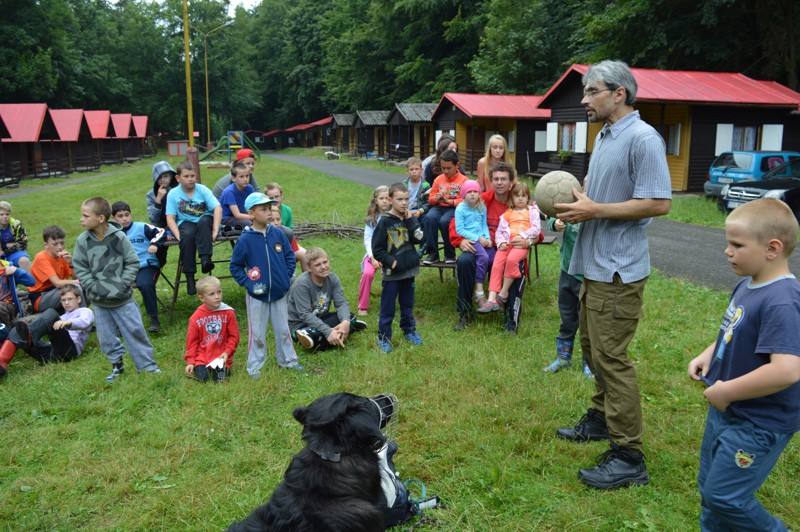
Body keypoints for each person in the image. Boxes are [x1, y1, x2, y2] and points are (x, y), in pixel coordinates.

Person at [553, 60, 672, 489]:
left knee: (611, 357)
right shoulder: (605, 136)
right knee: (592, 346)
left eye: (591, 92)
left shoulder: (643, 139)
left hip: (619, 269)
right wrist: (578, 207)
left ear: (619, 93)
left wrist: (595, 210)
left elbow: (658, 202)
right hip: (595, 263)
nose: (584, 100)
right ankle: (602, 418)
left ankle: (629, 455)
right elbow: (601, 197)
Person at [686, 198, 800, 530]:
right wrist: (709, 353)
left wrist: (726, 392)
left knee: (726, 498)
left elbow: (787, 369)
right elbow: (734, 330)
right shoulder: (749, 283)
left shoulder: (782, 301)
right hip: (728, 409)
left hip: (759, 421)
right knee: (710, 491)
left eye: (736, 244)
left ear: (772, 248)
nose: (727, 251)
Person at [72, 197, 162, 382]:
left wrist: (124, 283)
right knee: (106, 337)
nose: (81, 219)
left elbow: (132, 261)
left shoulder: (119, 237)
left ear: (101, 218)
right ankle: (117, 366)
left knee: (135, 331)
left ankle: (147, 366)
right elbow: (80, 267)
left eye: (85, 215)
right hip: (99, 301)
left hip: (123, 299)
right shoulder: (82, 241)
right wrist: (92, 286)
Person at [453, 162, 535, 333]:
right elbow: (455, 224)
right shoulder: (481, 200)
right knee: (464, 261)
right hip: (483, 247)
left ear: (511, 181)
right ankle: (465, 313)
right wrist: (459, 241)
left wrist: (529, 241)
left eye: (503, 179)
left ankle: (510, 320)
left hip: (510, 248)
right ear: (490, 181)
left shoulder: (520, 201)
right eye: (496, 179)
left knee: (515, 264)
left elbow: (537, 229)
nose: (499, 183)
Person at [229, 193, 302, 376]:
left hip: (279, 292)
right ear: (252, 213)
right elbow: (236, 266)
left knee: (283, 329)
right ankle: (255, 366)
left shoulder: (278, 233)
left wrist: (285, 277)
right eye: (264, 209)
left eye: (270, 208)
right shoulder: (245, 240)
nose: (269, 213)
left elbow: (289, 257)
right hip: (257, 295)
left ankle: (288, 360)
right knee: (258, 334)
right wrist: (248, 283)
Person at [371, 182, 424, 353]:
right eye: (399, 199)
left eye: (407, 199)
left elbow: (419, 238)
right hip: (392, 273)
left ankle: (409, 331)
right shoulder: (384, 222)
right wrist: (392, 262)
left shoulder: (410, 218)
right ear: (390, 200)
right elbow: (377, 250)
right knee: (388, 307)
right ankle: (384, 338)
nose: (404, 203)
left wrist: (410, 220)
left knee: (407, 304)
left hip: (409, 271)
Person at [0, 285, 94, 379]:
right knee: (17, 331)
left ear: (78, 299)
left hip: (69, 352)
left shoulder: (84, 311)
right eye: (63, 300)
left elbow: (85, 322)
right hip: (52, 354)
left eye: (70, 299)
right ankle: (1, 362)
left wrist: (69, 323)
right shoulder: (63, 317)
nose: (66, 302)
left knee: (51, 313)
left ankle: (30, 335)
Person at [478, 181, 541, 314]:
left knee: (512, 261)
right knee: (496, 264)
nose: (520, 198)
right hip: (507, 244)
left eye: (523, 196)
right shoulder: (508, 213)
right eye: (517, 195)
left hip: (520, 244)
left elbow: (536, 229)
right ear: (512, 197)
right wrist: (500, 242)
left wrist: (522, 236)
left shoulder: (532, 211)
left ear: (528, 198)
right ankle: (491, 300)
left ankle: (503, 293)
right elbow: (500, 231)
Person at [541, 216, 592, 378]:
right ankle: (563, 357)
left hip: (588, 275)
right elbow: (552, 219)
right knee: (567, 316)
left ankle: (589, 362)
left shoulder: (597, 205)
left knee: (588, 321)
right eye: (583, 187)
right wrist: (555, 224)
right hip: (567, 271)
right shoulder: (570, 202)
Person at [288, 247, 367, 350]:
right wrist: (328, 331)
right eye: (317, 265)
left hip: (321, 317)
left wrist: (345, 322)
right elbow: (305, 314)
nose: (324, 267)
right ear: (308, 268)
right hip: (300, 324)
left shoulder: (333, 279)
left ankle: (340, 329)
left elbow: (341, 303)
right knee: (314, 336)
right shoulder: (302, 284)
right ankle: (310, 336)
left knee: (348, 316)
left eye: (325, 262)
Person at [165, 161, 222, 296]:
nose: (190, 179)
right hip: (185, 222)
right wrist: (178, 235)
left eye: (192, 175)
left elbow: (217, 208)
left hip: (204, 219)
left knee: (203, 222)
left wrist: (215, 230)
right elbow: (170, 218)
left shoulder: (202, 189)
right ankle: (190, 276)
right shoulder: (173, 194)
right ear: (178, 178)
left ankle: (205, 260)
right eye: (186, 176)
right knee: (187, 236)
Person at [111, 201, 168, 333]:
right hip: (125, 270)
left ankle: (154, 319)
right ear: (113, 218)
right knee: (112, 286)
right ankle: (120, 323)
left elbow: (161, 231)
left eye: (127, 215)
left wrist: (154, 244)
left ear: (131, 214)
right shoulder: (112, 234)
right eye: (120, 216)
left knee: (145, 284)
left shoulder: (141, 227)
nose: (125, 218)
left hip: (146, 266)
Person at [184, 275, 239, 382]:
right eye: (212, 294)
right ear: (202, 298)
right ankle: (200, 367)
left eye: (219, 292)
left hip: (221, 356)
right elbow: (192, 341)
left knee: (220, 379)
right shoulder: (196, 317)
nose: (217, 297)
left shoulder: (229, 312)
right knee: (201, 378)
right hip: (202, 357)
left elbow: (234, 336)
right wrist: (190, 362)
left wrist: (227, 352)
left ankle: (221, 368)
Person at [422, 150, 467, 265]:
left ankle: (450, 254)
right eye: (443, 168)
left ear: (457, 165)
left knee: (445, 221)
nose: (445, 171)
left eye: (449, 168)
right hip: (439, 207)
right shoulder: (438, 179)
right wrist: (435, 199)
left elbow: (466, 201)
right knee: (429, 218)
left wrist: (450, 201)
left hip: (454, 208)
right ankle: (433, 254)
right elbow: (430, 198)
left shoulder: (464, 181)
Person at [454, 180, 491, 308]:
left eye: (475, 191)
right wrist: (478, 238)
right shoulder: (460, 209)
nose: (472, 194)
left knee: (492, 258)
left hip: (481, 238)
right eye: (469, 192)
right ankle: (479, 291)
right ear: (463, 194)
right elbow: (460, 230)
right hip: (471, 239)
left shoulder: (482, 207)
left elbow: (484, 224)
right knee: (484, 257)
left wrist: (487, 238)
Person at [28, 226, 82, 314]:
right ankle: (80, 319)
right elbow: (57, 283)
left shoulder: (62, 257)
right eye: (55, 244)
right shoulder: (41, 257)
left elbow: (75, 277)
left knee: (86, 287)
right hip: (41, 297)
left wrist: (71, 264)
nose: (60, 247)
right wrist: (77, 282)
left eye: (62, 243)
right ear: (46, 245)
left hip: (55, 292)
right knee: (77, 288)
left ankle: (78, 318)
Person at [358, 186, 391, 316]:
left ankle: (387, 304)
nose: (384, 201)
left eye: (387, 198)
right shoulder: (372, 219)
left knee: (389, 275)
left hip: (390, 254)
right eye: (381, 198)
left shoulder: (394, 216)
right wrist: (372, 257)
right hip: (373, 254)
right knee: (367, 273)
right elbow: (368, 238)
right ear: (375, 200)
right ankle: (363, 306)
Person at [265, 182, 306, 270]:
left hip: (287, 241)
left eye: (277, 196)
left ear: (281, 196)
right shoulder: (265, 213)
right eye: (271, 198)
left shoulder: (287, 210)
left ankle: (305, 282)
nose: (275, 200)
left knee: (304, 254)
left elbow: (290, 231)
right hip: (271, 243)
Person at [145, 161, 179, 268]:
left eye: (166, 176)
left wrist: (171, 230)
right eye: (160, 177)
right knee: (159, 254)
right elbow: (153, 218)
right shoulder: (151, 194)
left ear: (171, 177)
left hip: (176, 224)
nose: (163, 179)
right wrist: (158, 199)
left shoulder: (177, 191)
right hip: (159, 226)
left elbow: (180, 213)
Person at [0, 259, 35, 329]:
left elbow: (31, 282)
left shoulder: (7, 268)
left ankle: (8, 334)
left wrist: (16, 271)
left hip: (7, 304)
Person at [220, 161, 255, 228]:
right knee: (249, 223)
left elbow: (254, 206)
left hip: (243, 214)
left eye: (247, 176)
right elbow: (237, 215)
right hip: (227, 218)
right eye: (241, 176)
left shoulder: (249, 188)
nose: (245, 179)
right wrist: (253, 217)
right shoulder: (229, 192)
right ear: (233, 178)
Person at [0, 201, 31, 271]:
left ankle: (32, 281)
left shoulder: (16, 225)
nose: (5, 217)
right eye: (2, 214)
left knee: (24, 261)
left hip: (14, 253)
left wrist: (5, 250)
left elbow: (23, 243)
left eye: (7, 214)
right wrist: (10, 245)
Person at [404, 157, 431, 221]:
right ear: (407, 170)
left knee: (427, 219)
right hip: (406, 211)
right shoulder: (403, 185)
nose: (414, 172)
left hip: (420, 212)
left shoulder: (426, 185)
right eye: (411, 169)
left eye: (416, 169)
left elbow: (428, 202)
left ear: (421, 170)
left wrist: (420, 211)